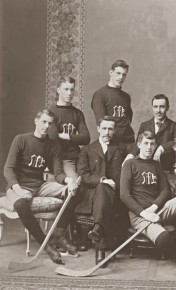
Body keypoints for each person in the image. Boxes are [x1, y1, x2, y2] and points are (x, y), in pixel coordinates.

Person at [3, 109, 79, 264]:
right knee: (20, 203)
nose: (46, 126)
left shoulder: (53, 145)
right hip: (18, 185)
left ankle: (58, 233)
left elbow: (57, 173)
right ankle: (46, 246)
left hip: (40, 185)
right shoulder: (21, 139)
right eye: (43, 121)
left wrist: (68, 181)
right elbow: (8, 169)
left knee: (74, 191)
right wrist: (18, 189)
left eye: (50, 123)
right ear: (36, 121)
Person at [120, 131, 176, 259]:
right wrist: (145, 214)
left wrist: (154, 208)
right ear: (139, 144)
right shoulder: (130, 164)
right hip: (139, 215)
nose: (149, 147)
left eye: (152, 144)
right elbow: (124, 195)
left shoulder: (156, 165)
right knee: (164, 238)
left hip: (159, 210)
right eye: (146, 143)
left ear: (155, 146)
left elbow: (165, 190)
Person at [75, 116, 132, 266]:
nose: (107, 132)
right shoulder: (87, 150)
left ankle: (98, 233)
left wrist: (130, 156)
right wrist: (102, 180)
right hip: (92, 196)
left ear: (115, 131)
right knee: (102, 188)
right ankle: (100, 237)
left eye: (111, 129)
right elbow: (83, 175)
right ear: (98, 129)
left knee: (105, 195)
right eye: (104, 128)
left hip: (115, 196)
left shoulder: (121, 148)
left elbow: (139, 146)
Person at [48, 76, 90, 182]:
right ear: (58, 90)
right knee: (75, 183)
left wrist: (65, 136)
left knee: (92, 178)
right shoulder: (51, 112)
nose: (69, 93)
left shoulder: (77, 113)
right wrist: (75, 138)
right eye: (66, 89)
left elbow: (86, 138)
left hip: (79, 156)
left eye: (72, 89)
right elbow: (53, 138)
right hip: (63, 158)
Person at [128, 94, 176, 171]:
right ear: (152, 108)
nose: (158, 111)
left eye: (162, 107)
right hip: (147, 167)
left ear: (167, 108)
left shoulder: (174, 126)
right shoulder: (144, 125)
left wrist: (162, 148)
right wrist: (130, 155)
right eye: (155, 107)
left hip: (166, 168)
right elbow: (138, 144)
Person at [91, 60, 134, 144]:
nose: (121, 77)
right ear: (111, 72)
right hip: (112, 142)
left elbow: (129, 119)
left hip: (128, 141)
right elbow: (102, 124)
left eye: (124, 75)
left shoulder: (126, 96)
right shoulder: (100, 95)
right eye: (118, 73)